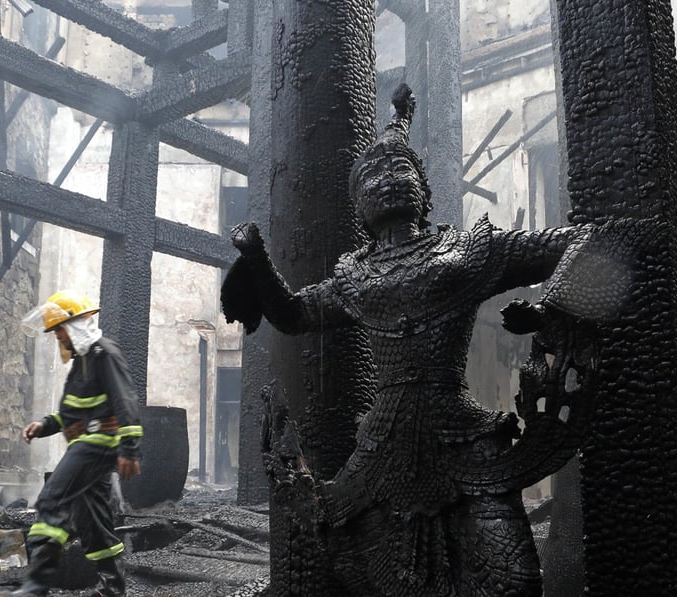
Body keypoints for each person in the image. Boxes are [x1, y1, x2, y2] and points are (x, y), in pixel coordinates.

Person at [222, 84, 587, 596]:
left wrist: (552, 310)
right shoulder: (354, 280)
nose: (387, 181)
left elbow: (576, 243)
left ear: (423, 188)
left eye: (400, 171)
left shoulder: (467, 253)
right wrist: (257, 256)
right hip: (380, 447)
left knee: (513, 579)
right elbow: (291, 314)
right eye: (371, 177)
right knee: (358, 566)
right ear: (359, 207)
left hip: (461, 434)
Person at [8, 290, 143, 597]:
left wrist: (129, 448)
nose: (58, 336)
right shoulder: (81, 363)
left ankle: (36, 586)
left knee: (52, 500)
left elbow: (125, 400)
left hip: (100, 442)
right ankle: (113, 589)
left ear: (75, 325)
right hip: (87, 444)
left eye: (59, 329)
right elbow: (71, 412)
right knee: (91, 520)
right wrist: (44, 426)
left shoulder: (103, 353)